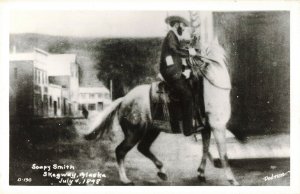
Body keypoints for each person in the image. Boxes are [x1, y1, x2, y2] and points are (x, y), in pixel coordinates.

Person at [159, 15, 202, 136]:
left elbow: (176, 54)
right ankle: (188, 130)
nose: (183, 28)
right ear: (177, 24)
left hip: (174, 69)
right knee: (187, 95)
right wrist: (189, 53)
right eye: (182, 26)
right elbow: (174, 51)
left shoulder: (173, 36)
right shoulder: (171, 36)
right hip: (171, 71)